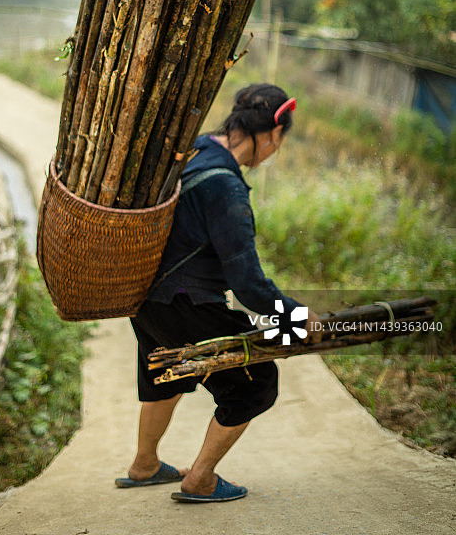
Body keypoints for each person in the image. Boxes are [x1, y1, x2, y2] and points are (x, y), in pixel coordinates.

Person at [115, 83, 323, 502]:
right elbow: (248, 285)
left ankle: (145, 465)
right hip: (186, 303)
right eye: (280, 139)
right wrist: (297, 316)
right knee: (255, 382)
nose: (277, 148)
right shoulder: (226, 188)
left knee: (166, 375)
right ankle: (200, 479)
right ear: (273, 133)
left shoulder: (195, 149)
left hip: (145, 300)